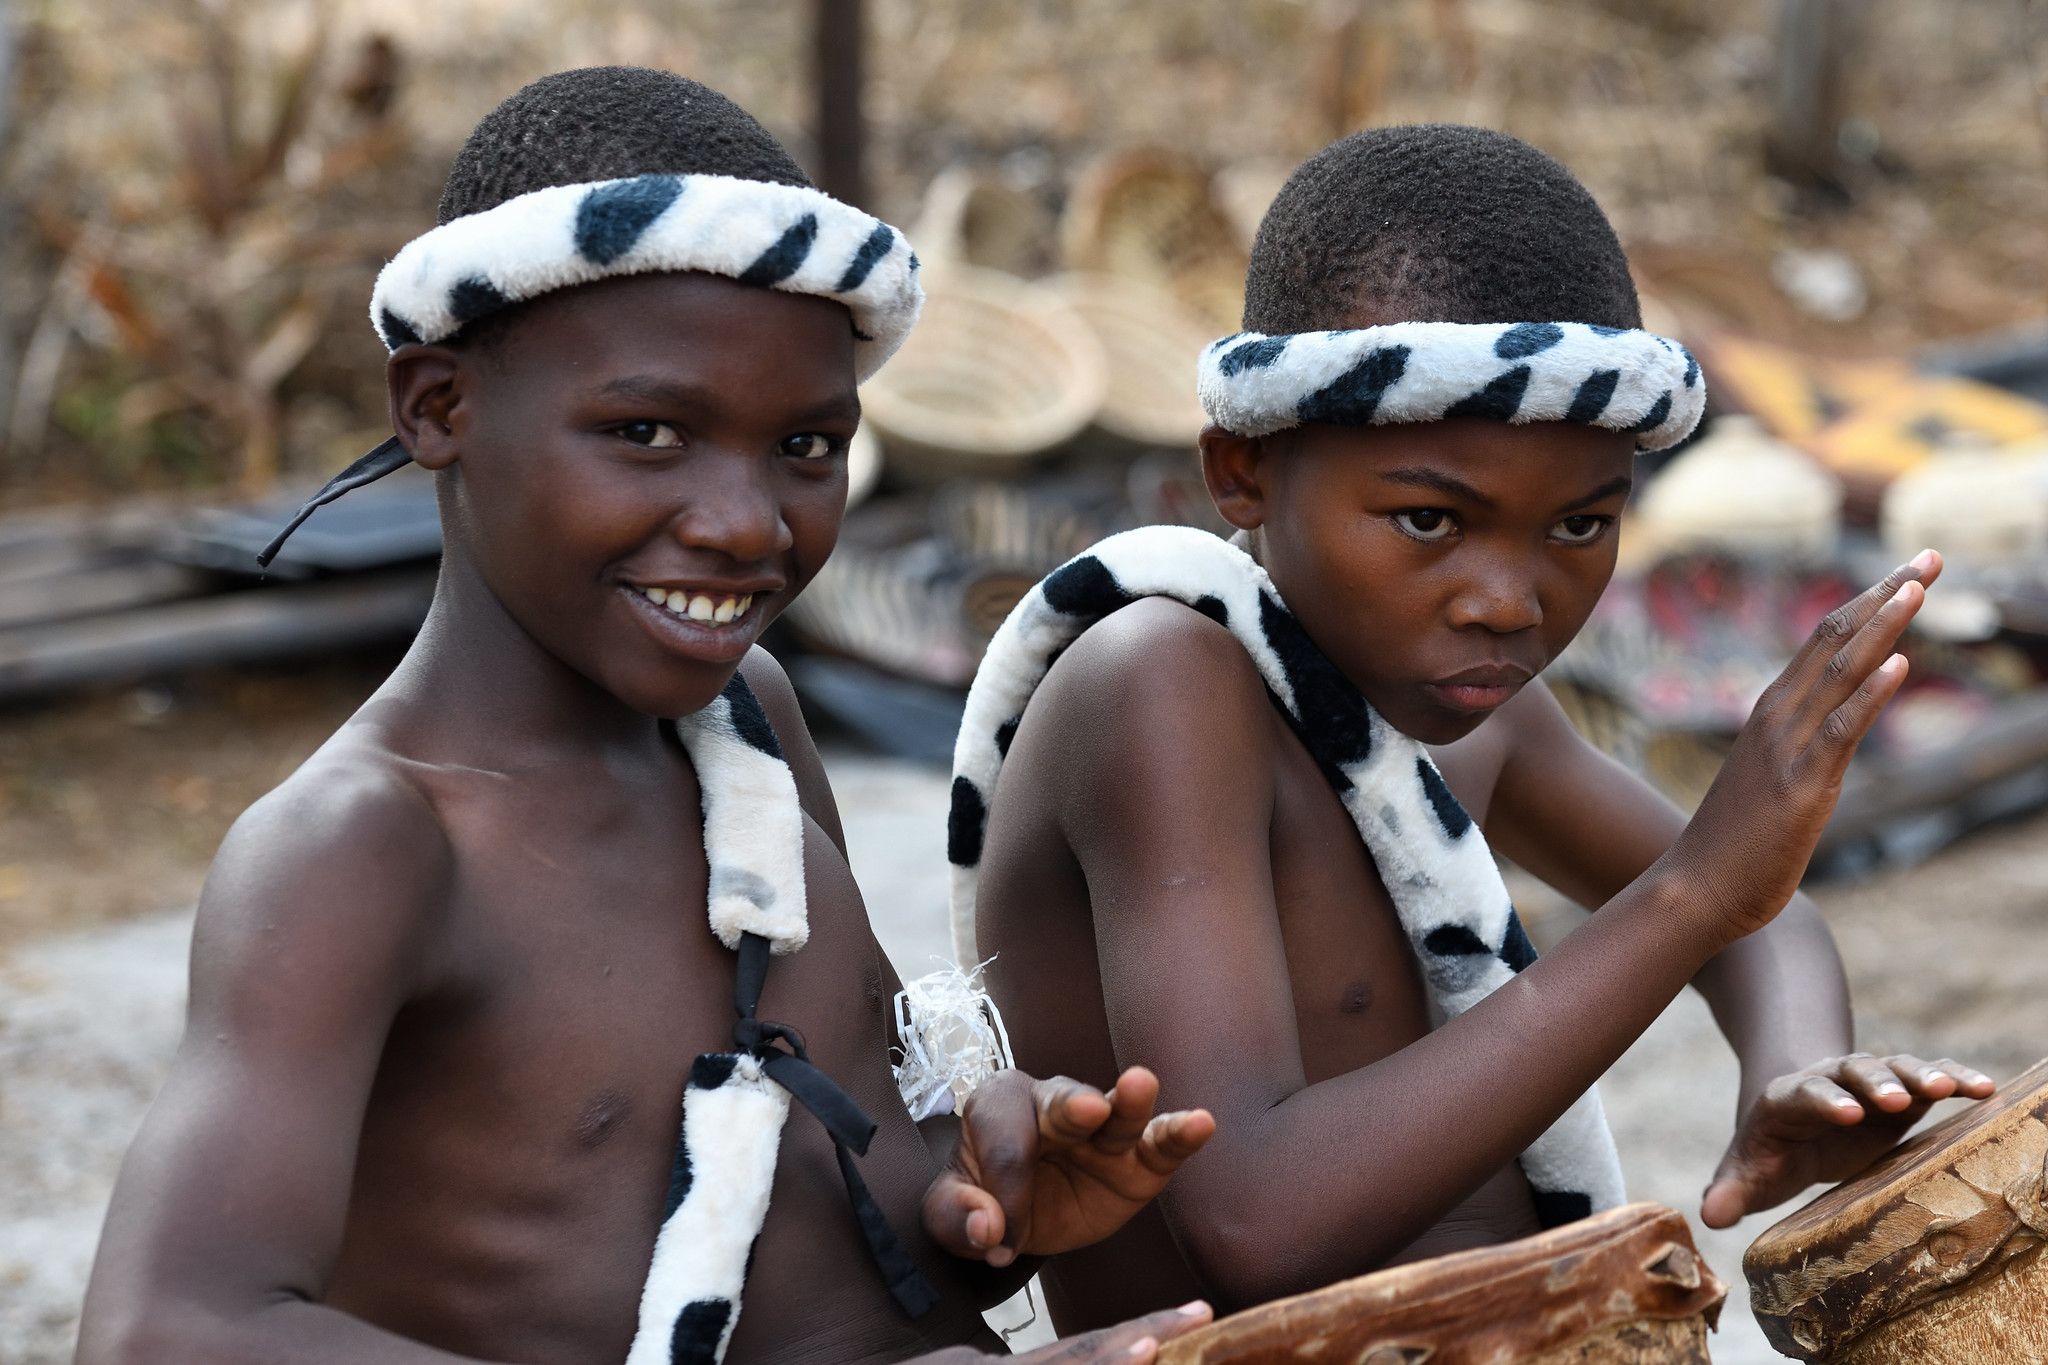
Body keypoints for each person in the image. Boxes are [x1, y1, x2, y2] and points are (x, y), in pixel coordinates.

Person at [76, 68, 1219, 1365]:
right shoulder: (367, 848)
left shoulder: (751, 730)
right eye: (647, 431)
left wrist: (982, 1174)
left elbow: (840, 1135)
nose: (746, 523)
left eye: (806, 448)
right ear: (438, 407)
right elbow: (165, 1331)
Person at [950, 125, 1994, 1332]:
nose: (1507, 601)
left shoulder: (1478, 713)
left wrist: (1791, 1069)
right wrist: (1691, 892)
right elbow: (1252, 1219)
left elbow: (1766, 926)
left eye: (1577, 527)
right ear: (1241, 472)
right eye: (1427, 522)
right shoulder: (1160, 686)